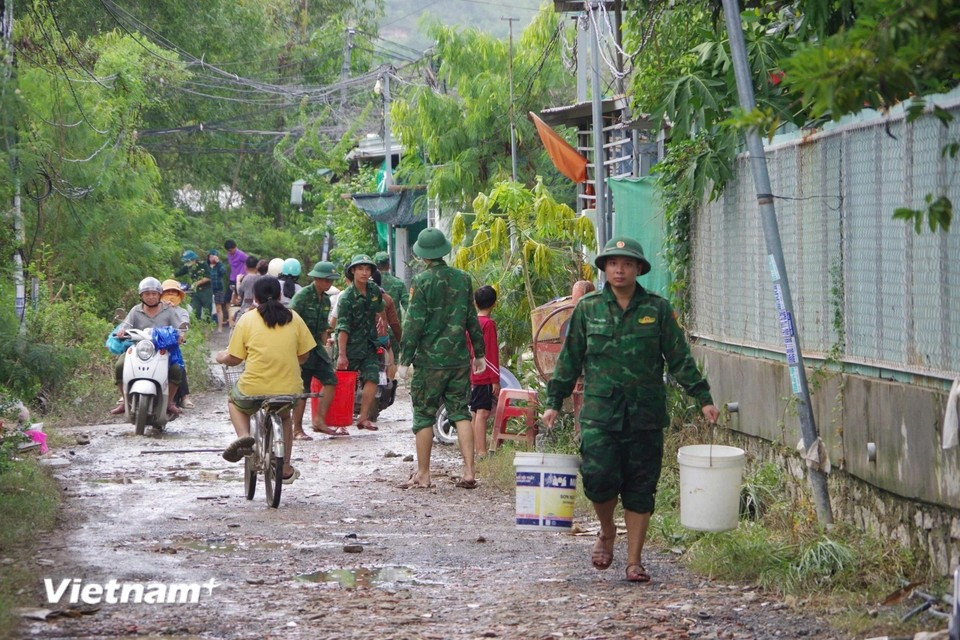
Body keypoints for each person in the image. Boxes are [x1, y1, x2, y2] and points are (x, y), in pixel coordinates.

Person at [541, 236, 720, 584]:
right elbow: (570, 359)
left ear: (638, 268)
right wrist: (553, 402)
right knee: (598, 477)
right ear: (604, 269)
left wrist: (704, 398)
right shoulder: (588, 308)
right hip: (599, 413)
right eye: (612, 263)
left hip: (644, 413)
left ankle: (634, 560)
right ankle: (607, 531)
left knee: (641, 486)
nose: (618, 269)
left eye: (626, 263)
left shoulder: (657, 309)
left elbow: (679, 358)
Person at [397, 228, 485, 489]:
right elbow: (472, 317)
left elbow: (413, 323)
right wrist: (478, 353)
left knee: (423, 416)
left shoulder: (422, 282)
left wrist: (404, 359)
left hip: (429, 363)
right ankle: (469, 472)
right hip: (458, 360)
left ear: (423, 255)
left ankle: (424, 475)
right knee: (461, 413)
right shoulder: (463, 279)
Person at [214, 276, 316, 484]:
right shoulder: (294, 317)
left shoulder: (247, 319)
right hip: (289, 387)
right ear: (280, 295)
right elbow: (304, 355)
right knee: (285, 416)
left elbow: (234, 358)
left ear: (255, 298)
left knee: (235, 402)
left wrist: (220, 356)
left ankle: (244, 437)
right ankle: (285, 467)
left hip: (254, 387)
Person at [109, 277, 185, 417]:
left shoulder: (168, 310)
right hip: (139, 349)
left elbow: (179, 328)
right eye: (147, 294)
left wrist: (180, 335)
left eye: (154, 294)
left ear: (159, 295)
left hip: (163, 350)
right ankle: (124, 401)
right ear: (141, 296)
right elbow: (126, 325)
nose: (150, 297)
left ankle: (169, 402)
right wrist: (121, 332)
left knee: (176, 369)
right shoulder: (135, 311)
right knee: (120, 365)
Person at [289, 261, 342, 439]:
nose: (329, 284)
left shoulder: (326, 299)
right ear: (316, 279)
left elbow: (322, 328)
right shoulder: (302, 296)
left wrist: (326, 343)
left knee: (331, 380)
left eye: (331, 281)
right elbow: (290, 322)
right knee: (302, 389)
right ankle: (297, 429)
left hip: (317, 348)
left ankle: (319, 420)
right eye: (326, 280)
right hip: (301, 349)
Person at [335, 254, 384, 431]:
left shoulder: (373, 290)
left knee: (372, 377)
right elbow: (343, 327)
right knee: (346, 385)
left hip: (369, 343)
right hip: (349, 346)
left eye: (367, 269)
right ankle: (342, 423)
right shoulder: (347, 297)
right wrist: (342, 354)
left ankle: (363, 417)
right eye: (360, 269)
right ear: (353, 271)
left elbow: (380, 308)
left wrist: (381, 321)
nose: (364, 273)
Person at [467, 285, 499, 459]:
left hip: (473, 372)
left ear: (475, 303)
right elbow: (491, 352)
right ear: (494, 303)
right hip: (485, 374)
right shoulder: (488, 324)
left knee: (476, 411)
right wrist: (494, 379)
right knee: (482, 413)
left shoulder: (472, 322)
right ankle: (481, 451)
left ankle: (475, 449)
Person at [160, 279, 195, 409]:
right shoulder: (155, 309)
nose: (170, 294)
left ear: (179, 295)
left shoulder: (182, 312)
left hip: (171, 345)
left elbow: (183, 326)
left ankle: (184, 397)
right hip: (152, 345)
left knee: (178, 365)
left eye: (174, 292)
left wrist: (181, 335)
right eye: (167, 292)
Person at [175, 250, 213, 323]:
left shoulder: (202, 265)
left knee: (207, 311)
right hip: (195, 292)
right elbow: (177, 274)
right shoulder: (187, 267)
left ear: (193, 259)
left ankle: (207, 329)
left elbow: (208, 277)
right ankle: (197, 328)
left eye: (188, 261)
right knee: (195, 311)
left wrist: (197, 283)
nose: (187, 263)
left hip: (205, 290)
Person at [374, 251, 409, 318]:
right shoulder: (399, 283)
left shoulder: (370, 283)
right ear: (389, 266)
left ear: (375, 267)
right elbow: (407, 305)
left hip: (376, 326)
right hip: (394, 325)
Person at [224, 240, 248, 326]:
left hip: (241, 278)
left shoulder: (241, 254)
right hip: (232, 278)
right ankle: (230, 316)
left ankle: (241, 317)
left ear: (235, 247)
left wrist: (244, 272)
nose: (231, 251)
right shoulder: (229, 255)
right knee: (227, 299)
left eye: (232, 249)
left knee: (240, 298)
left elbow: (248, 261)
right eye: (229, 250)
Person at [233, 255, 261, 321]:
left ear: (246, 266)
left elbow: (239, 294)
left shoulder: (245, 279)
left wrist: (238, 282)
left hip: (245, 309)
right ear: (257, 266)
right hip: (258, 309)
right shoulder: (261, 278)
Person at [207, 250, 228, 333]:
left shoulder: (220, 265)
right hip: (208, 289)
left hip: (218, 288)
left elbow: (223, 272)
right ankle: (210, 327)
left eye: (213, 256)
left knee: (218, 308)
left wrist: (218, 262)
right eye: (210, 256)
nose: (212, 258)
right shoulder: (206, 266)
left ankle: (220, 328)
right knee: (209, 308)